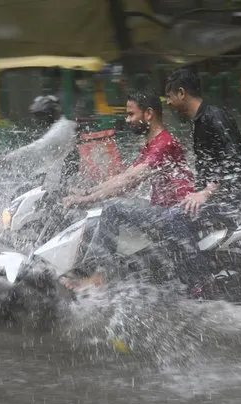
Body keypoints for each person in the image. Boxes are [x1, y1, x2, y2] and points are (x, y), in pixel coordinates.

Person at [61, 91, 200, 289]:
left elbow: (128, 180)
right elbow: (124, 177)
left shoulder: (164, 143)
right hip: (164, 211)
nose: (127, 120)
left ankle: (99, 276)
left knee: (112, 208)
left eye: (131, 114)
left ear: (148, 114)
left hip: (174, 215)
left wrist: (85, 200)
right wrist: (87, 193)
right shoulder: (152, 144)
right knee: (102, 213)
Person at [164, 67, 241, 220]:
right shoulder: (198, 121)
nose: (168, 102)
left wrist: (205, 193)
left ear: (181, 93)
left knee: (174, 220)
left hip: (232, 201)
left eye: (169, 96)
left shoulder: (214, 116)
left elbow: (235, 161)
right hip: (216, 197)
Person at [3, 95, 80, 192]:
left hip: (59, 178)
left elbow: (40, 146)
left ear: (51, 113)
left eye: (42, 116)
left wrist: (10, 157)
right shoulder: (58, 126)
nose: (39, 121)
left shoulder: (62, 127)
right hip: (53, 174)